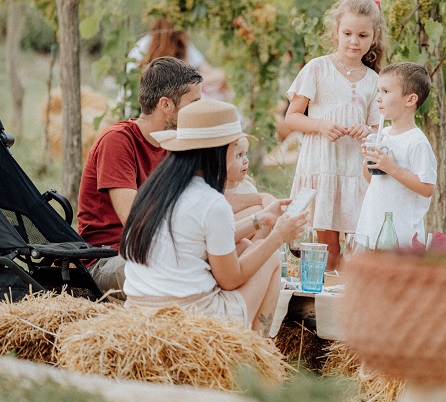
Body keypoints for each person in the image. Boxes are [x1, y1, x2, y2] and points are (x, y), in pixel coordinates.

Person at [78, 58, 269, 298]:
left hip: (156, 251)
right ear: (166, 104)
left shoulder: (176, 144)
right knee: (219, 255)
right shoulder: (117, 141)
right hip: (112, 259)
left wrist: (261, 202)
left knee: (243, 243)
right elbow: (137, 222)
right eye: (194, 103)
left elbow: (205, 204)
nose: (200, 110)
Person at [121, 99, 308, 336]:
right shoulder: (211, 202)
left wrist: (260, 219)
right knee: (269, 257)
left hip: (142, 311)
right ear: (220, 151)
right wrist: (279, 236)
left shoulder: (154, 190)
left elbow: (201, 239)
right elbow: (230, 279)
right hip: (193, 317)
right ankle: (257, 351)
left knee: (243, 244)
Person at [285, 0, 386, 270]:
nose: (354, 41)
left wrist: (365, 129)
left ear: (374, 37)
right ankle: (320, 309)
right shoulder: (317, 69)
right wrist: (320, 125)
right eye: (348, 33)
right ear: (336, 31)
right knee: (326, 250)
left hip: (354, 171)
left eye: (363, 36)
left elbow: (379, 130)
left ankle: (347, 306)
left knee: (354, 251)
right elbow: (292, 117)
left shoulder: (375, 80)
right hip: (322, 166)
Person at [355, 63, 437, 249]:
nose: (378, 99)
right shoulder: (383, 134)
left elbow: (427, 188)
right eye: (378, 91)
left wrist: (391, 168)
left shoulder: (417, 142)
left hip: (401, 237)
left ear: (410, 100)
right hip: (371, 228)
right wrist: (369, 160)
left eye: (385, 91)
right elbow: (370, 179)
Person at [127, 17, 230, 102]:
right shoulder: (142, 49)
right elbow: (167, 86)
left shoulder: (185, 48)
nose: (188, 33)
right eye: (185, 29)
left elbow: (212, 72)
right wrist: (197, 82)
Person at [224, 136, 278, 235]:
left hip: (250, 242)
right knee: (260, 212)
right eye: (239, 155)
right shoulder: (216, 190)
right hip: (230, 238)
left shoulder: (247, 187)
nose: (246, 161)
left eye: (246, 154)